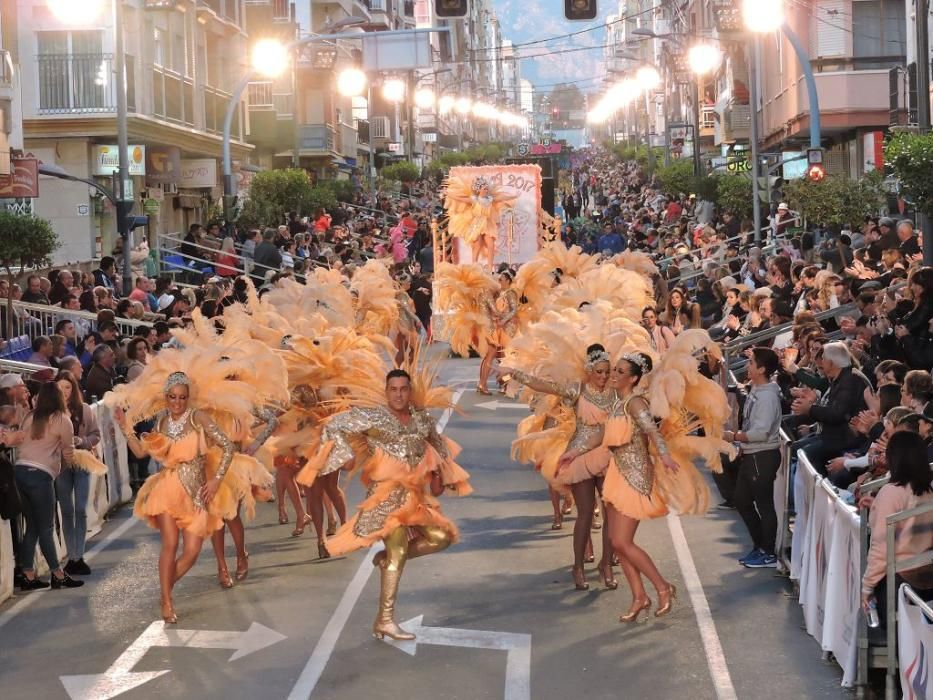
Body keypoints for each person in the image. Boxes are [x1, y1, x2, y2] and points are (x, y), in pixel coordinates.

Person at [298, 369, 471, 641]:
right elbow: (334, 425)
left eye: (403, 389)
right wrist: (345, 454)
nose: (399, 394)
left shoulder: (422, 419)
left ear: (409, 391)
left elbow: (439, 449)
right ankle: (385, 620)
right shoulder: (374, 416)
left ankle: (385, 560)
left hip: (415, 498)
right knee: (399, 550)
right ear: (386, 390)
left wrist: (442, 473)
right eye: (393, 389)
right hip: (386, 497)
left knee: (442, 537)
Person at [113, 371, 239, 623]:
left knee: (192, 551)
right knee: (170, 545)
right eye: (172, 397)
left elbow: (228, 446)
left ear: (188, 398)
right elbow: (139, 452)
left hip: (196, 493)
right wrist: (125, 427)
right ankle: (167, 602)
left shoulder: (198, 417)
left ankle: (164, 591)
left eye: (182, 397)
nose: (177, 402)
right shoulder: (160, 422)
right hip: (168, 490)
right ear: (166, 397)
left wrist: (215, 480)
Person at [499, 344, 616, 592]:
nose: (604, 377)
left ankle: (607, 565)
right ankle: (578, 567)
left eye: (607, 372)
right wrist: (516, 373)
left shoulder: (616, 394)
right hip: (580, 457)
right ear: (589, 371)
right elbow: (545, 386)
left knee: (611, 515)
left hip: (608, 458)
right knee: (585, 513)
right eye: (599, 372)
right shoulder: (577, 390)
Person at [14, 382, 84, 590]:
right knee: (46, 527)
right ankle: (58, 573)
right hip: (40, 475)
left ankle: (27, 574)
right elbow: (68, 454)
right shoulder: (63, 420)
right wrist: (59, 470)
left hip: (20, 472)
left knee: (32, 527)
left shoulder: (30, 417)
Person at [860, 431, 933, 624]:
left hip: (899, 580)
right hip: (927, 572)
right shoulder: (929, 491)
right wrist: (878, 504)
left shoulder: (891, 493)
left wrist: (867, 587)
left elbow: (881, 548)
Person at [723, 348, 784, 569]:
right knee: (741, 499)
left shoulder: (767, 396)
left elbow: (762, 431)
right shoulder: (759, 389)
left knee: (764, 505)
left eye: (751, 362)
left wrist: (735, 436)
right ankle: (760, 546)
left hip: (762, 455)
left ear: (762, 369)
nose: (747, 366)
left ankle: (768, 552)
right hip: (752, 454)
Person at [54, 370, 101, 577]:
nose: (64, 392)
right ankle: (72, 556)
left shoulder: (83, 409)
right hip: (60, 466)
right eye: (60, 387)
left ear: (73, 389)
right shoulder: (51, 412)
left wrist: (82, 441)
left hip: (82, 462)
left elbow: (96, 434)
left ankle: (78, 555)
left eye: (67, 387)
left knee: (81, 508)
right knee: (66, 510)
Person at [477, 270, 518, 395]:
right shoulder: (496, 293)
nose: (498, 281)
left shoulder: (510, 293)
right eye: (498, 279)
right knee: (499, 358)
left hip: (507, 329)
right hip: (497, 328)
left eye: (501, 279)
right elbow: (494, 310)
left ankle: (504, 384)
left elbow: (514, 310)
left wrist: (503, 320)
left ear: (508, 280)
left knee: (506, 359)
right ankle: (496, 384)